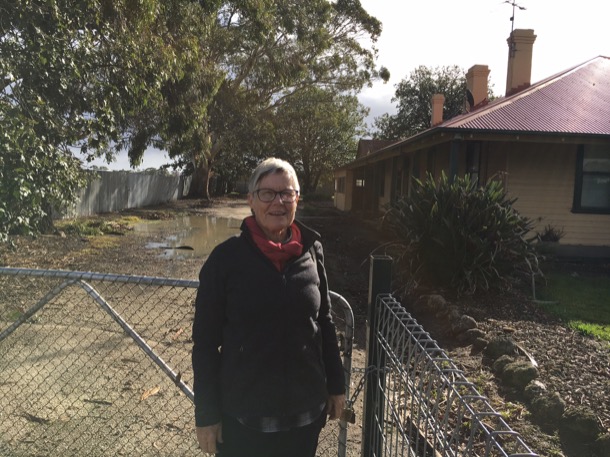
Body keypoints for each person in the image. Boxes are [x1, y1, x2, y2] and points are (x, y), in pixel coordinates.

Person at [192, 158, 346, 457]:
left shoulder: (312, 251)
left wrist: (336, 385)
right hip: (244, 421)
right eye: (267, 193)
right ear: (251, 199)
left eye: (287, 193)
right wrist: (207, 415)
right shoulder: (225, 260)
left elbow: (324, 321)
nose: (278, 201)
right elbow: (205, 343)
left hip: (304, 416)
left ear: (297, 199)